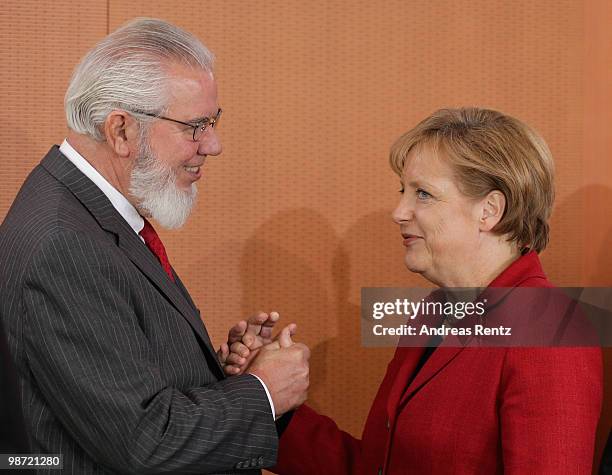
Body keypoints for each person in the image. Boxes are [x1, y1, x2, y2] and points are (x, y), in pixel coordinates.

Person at [0, 18, 309, 474]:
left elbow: (125, 394)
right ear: (121, 130)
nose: (214, 145)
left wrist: (228, 382)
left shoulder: (86, 213)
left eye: (213, 122)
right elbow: (145, 443)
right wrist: (262, 392)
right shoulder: (66, 246)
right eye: (195, 126)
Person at [225, 108, 603, 474]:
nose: (399, 211)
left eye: (423, 194)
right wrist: (267, 401)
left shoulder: (553, 329)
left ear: (490, 209)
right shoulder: (434, 311)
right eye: (404, 190)